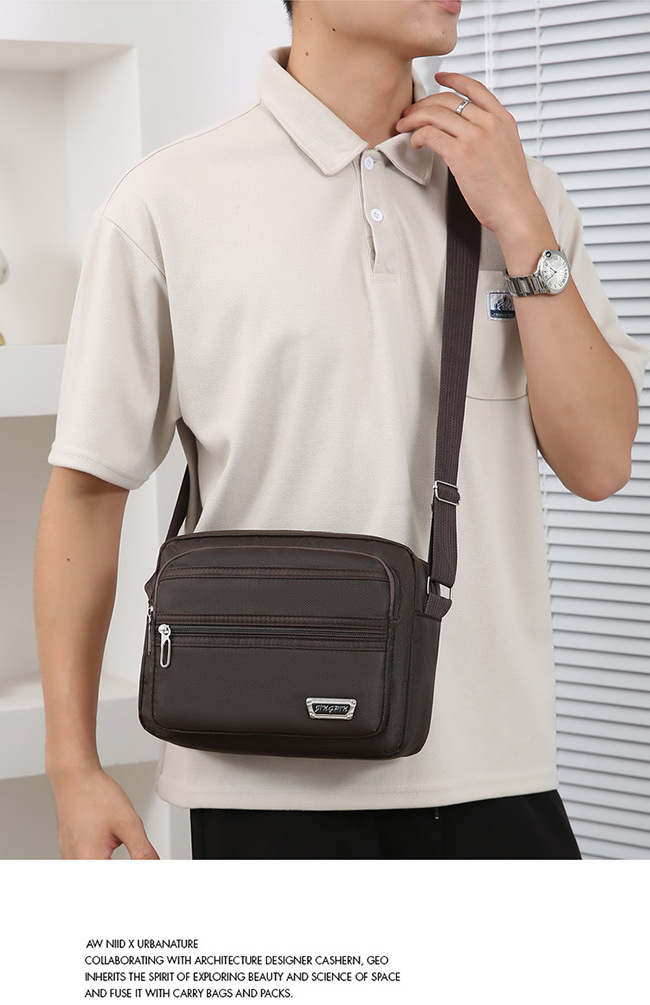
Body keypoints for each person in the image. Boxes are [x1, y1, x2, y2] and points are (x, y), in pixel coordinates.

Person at [34, 0, 648, 860]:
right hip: (259, 779)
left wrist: (519, 222)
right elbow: (88, 492)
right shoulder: (165, 202)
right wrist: (72, 765)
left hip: (495, 774)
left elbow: (601, 463)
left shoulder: (521, 190)